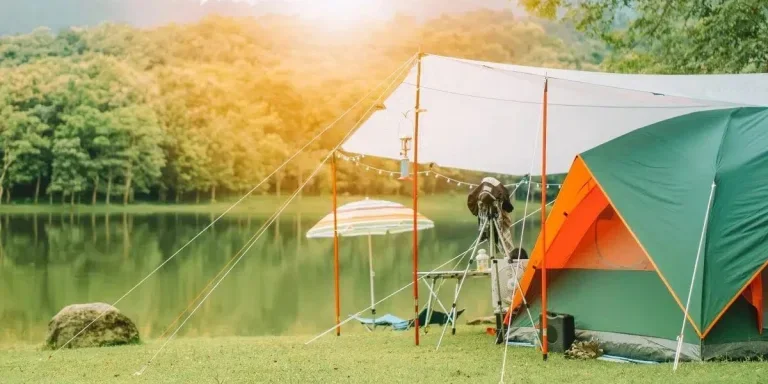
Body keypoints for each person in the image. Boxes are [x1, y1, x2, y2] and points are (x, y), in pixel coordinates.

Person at [467, 177, 517, 259]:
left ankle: (506, 257)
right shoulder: (500, 189)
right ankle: (508, 258)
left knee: (497, 237)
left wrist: (476, 211)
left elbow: (471, 200)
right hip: (495, 217)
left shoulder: (480, 191)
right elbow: (508, 206)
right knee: (503, 237)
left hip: (489, 218)